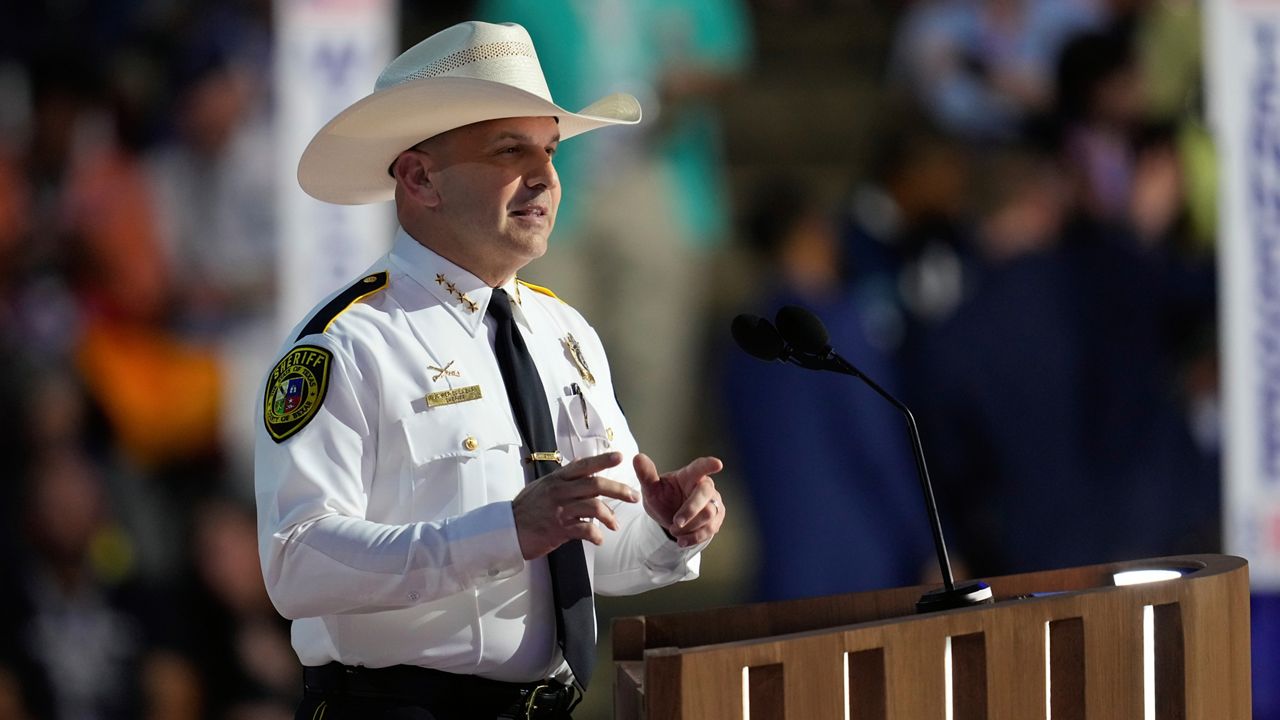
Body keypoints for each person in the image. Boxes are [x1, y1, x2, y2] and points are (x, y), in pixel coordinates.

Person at [254, 21, 726, 720]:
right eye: (510, 150)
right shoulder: (346, 343)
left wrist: (662, 529)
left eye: (551, 151)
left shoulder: (565, 332)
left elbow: (589, 557)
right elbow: (296, 564)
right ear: (419, 178)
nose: (543, 175)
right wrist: (503, 532)